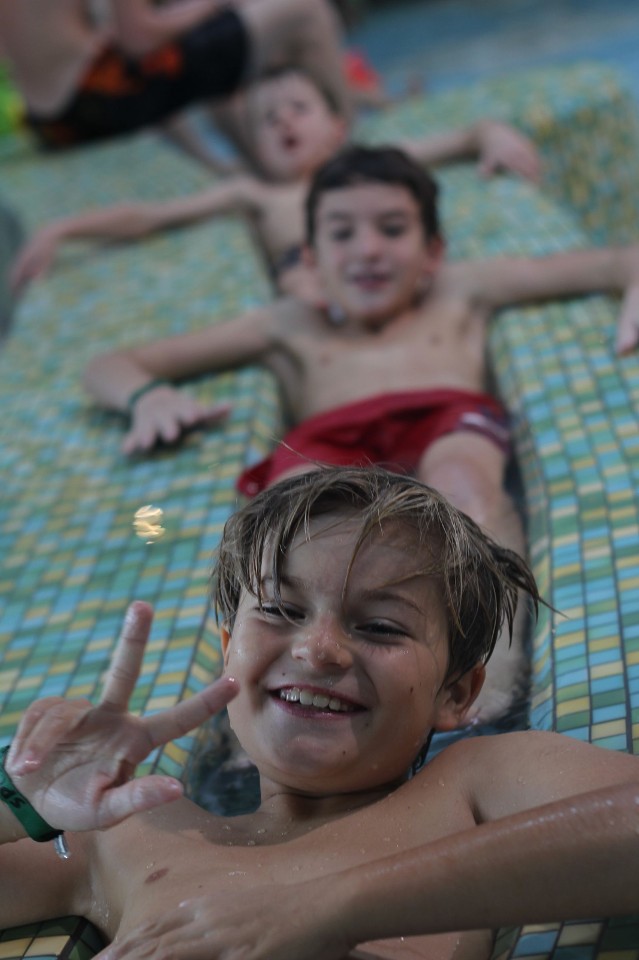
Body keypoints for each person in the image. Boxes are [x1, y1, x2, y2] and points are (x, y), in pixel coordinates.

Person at [82, 144, 639, 717]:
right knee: (286, 521)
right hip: (331, 438)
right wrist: (147, 397)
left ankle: (488, 691)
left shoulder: (460, 290)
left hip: (444, 417)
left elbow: (615, 260)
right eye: (342, 233)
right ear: (311, 259)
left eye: (392, 229)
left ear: (432, 252)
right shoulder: (289, 324)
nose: (368, 249)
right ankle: (261, 712)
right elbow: (106, 365)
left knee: (466, 487)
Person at [1, 467, 638, 960]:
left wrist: (329, 908)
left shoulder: (472, 787)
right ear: (227, 652)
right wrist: (22, 800)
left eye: (381, 626)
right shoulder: (131, 835)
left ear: (456, 694)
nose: (318, 649)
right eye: (281, 610)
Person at [9, 65, 542, 301]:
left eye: (298, 109)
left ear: (338, 127)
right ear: (255, 147)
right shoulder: (258, 195)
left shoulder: (372, 168)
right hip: (311, 292)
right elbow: (152, 216)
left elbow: (461, 138)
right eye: (268, 119)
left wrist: (492, 134)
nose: (284, 121)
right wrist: (63, 228)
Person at [0, 0, 349, 153]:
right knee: (307, 9)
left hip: (49, 122)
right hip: (103, 100)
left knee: (207, 48)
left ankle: (250, 167)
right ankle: (349, 150)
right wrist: (213, 5)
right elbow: (139, 39)